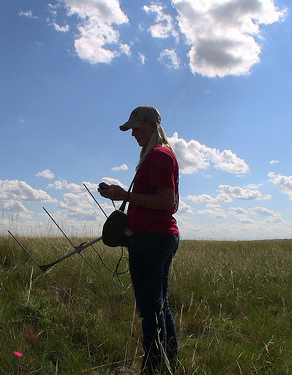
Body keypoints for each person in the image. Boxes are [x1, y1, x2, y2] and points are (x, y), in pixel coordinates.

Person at [99, 105, 180, 374]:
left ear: (152, 126)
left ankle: (153, 367)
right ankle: (168, 361)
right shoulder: (157, 155)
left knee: (150, 309)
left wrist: (126, 196)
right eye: (131, 129)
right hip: (158, 237)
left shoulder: (158, 155)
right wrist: (121, 194)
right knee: (160, 304)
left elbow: (167, 201)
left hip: (151, 240)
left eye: (137, 128)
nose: (133, 134)